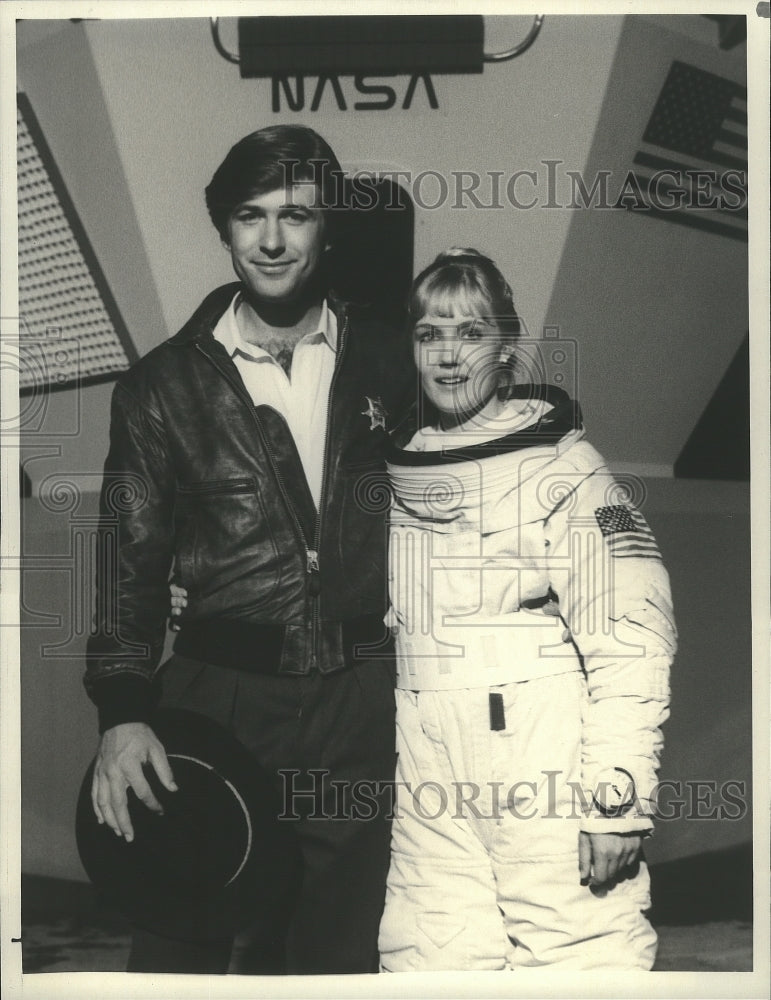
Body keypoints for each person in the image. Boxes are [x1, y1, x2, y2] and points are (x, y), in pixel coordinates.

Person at [84, 125, 411, 975]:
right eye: (249, 216)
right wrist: (122, 712)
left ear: (327, 228)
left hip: (357, 701)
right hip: (215, 699)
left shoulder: (388, 360)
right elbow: (127, 563)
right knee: (176, 952)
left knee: (338, 960)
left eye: (295, 217)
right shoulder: (160, 386)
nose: (271, 240)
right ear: (223, 229)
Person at [374, 248, 676, 970]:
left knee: (581, 959)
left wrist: (614, 802)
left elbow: (633, 638)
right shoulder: (403, 468)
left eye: (470, 334)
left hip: (543, 755)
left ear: (505, 345)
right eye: (428, 336)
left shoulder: (564, 470)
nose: (448, 358)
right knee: (429, 959)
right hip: (428, 759)